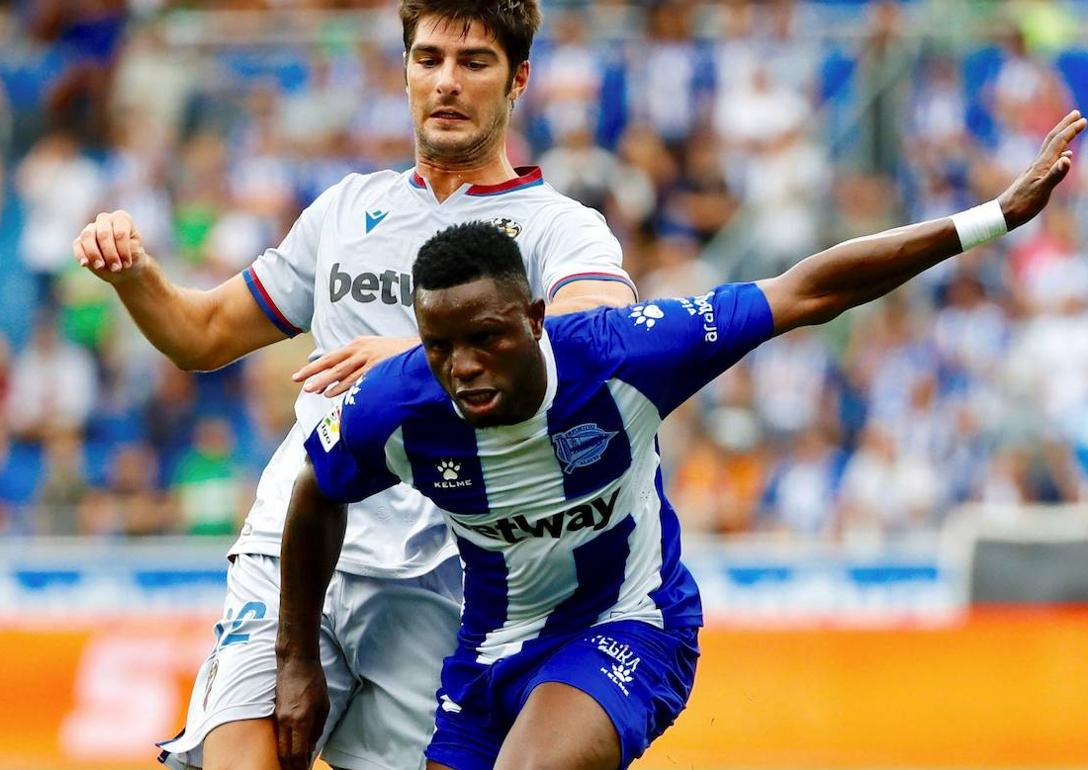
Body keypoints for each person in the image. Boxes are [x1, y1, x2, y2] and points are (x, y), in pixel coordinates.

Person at [275, 112, 1085, 770]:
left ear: (534, 319)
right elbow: (315, 495)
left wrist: (994, 217)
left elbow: (808, 290)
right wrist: (295, 657)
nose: (463, 367)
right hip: (486, 656)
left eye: (486, 338)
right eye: (439, 345)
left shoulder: (626, 352)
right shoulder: (396, 401)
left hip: (628, 625)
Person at [72, 2, 638, 769]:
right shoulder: (346, 209)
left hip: (443, 569)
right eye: (428, 59)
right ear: (404, 70)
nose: (446, 82)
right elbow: (202, 335)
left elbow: (593, 345)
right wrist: (137, 277)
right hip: (296, 540)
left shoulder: (557, 228)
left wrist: (417, 361)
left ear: (519, 81)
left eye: (474, 64)